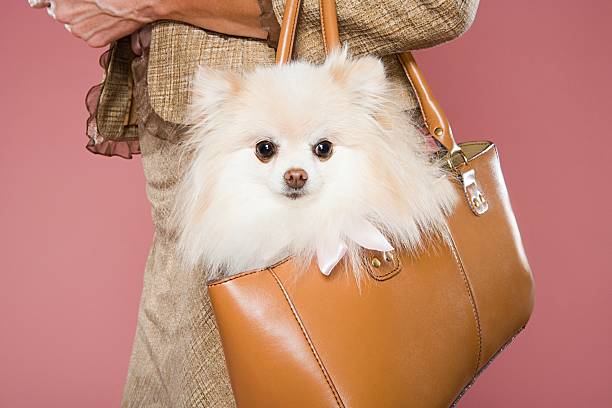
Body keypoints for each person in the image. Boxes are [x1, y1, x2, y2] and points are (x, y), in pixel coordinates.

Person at [29, 0, 479, 406]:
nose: (296, 170)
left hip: (342, 187)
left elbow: (441, 6)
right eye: (269, 151)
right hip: (192, 150)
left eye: (318, 152)